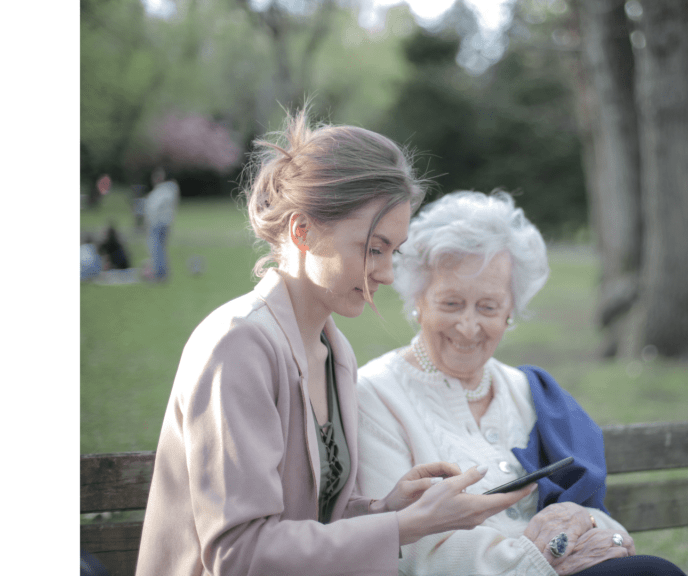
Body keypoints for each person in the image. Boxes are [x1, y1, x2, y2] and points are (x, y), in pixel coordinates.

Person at [135, 111, 533, 576]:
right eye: (372, 248)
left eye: (393, 252)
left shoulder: (333, 351)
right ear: (303, 231)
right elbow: (239, 554)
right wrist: (402, 528)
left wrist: (388, 509)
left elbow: (310, 521)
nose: (386, 274)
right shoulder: (237, 345)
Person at [356, 191, 686, 576]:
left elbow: (601, 522)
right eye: (450, 303)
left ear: (510, 310)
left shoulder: (531, 392)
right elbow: (411, 550)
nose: (468, 325)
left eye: (488, 307)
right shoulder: (375, 395)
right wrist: (539, 559)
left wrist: (591, 528)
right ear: (418, 301)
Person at [143, 167, 179, 281]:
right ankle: (162, 272)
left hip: (158, 224)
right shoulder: (167, 190)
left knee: (157, 249)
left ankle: (159, 273)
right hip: (164, 223)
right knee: (160, 249)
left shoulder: (163, 191)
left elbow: (153, 208)